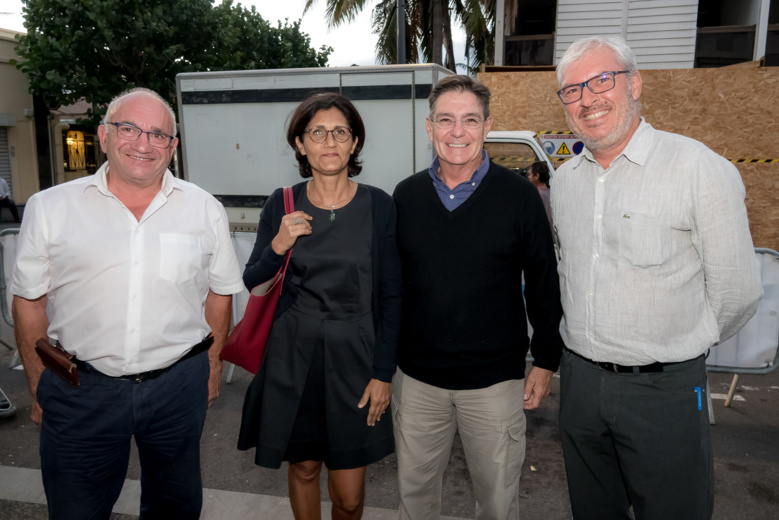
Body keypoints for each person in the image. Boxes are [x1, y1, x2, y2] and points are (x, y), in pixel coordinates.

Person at [551, 35, 763, 520]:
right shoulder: (565, 181)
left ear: (635, 84)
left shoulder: (697, 168)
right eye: (572, 90)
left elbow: (737, 292)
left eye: (601, 81)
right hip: (580, 386)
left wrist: (678, 349)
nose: (587, 99)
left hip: (664, 392)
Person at [11, 87, 243, 520]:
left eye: (158, 134)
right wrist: (40, 385)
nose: (143, 143)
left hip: (177, 387)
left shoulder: (204, 209)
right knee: (76, 510)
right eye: (129, 128)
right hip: (80, 390)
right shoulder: (50, 208)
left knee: (175, 508)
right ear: (104, 136)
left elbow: (220, 292)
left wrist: (211, 369)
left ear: (172, 147)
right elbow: (28, 301)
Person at [392, 75, 564, 520]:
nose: (457, 132)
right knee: (414, 502)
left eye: (470, 120)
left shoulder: (520, 197)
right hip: (417, 384)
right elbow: (392, 288)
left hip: (494, 386)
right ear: (429, 127)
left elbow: (544, 281)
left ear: (487, 126)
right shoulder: (406, 196)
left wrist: (546, 360)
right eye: (445, 120)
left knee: (497, 505)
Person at [237, 92, 401, 520]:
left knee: (349, 496)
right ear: (300, 143)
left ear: (355, 142)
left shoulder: (379, 205)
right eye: (317, 132)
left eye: (340, 132)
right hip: (294, 356)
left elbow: (392, 295)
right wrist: (277, 245)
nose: (329, 142)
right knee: (305, 468)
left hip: (356, 357)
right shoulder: (282, 202)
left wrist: (384, 373)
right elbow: (253, 280)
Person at [526, 161, 552, 230]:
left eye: (530, 174)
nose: (528, 177)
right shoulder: (552, 193)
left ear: (536, 176)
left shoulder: (537, 195)